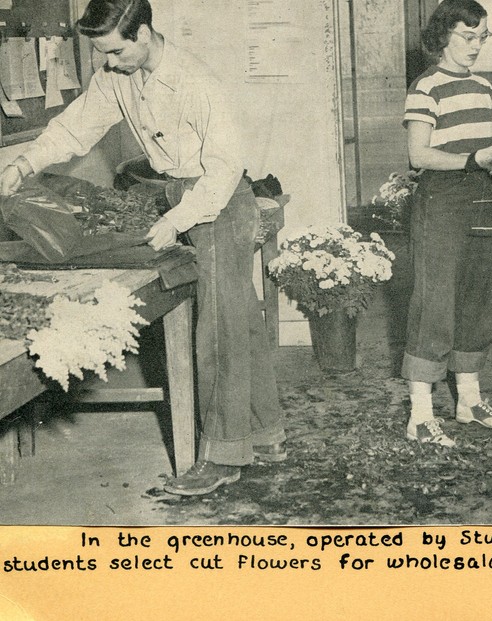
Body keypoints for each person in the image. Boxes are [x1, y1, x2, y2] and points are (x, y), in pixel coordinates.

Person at [0, 0, 286, 495]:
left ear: (144, 34)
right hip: (179, 192)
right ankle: (266, 434)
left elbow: (223, 171)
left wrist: (176, 220)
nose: (108, 62)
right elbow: (75, 127)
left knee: (217, 328)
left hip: (218, 202)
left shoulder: (195, 81)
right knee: (238, 315)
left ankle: (221, 457)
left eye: (114, 51)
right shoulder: (117, 76)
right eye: (101, 54)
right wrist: (23, 165)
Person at [402, 0, 492, 447]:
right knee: (435, 301)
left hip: (480, 197)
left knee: (480, 298)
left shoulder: (483, 88)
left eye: (482, 38)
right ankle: (420, 415)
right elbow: (419, 155)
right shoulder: (426, 87)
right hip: (440, 200)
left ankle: (469, 401)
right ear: (443, 36)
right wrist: (477, 159)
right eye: (467, 36)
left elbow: (490, 145)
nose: (476, 46)